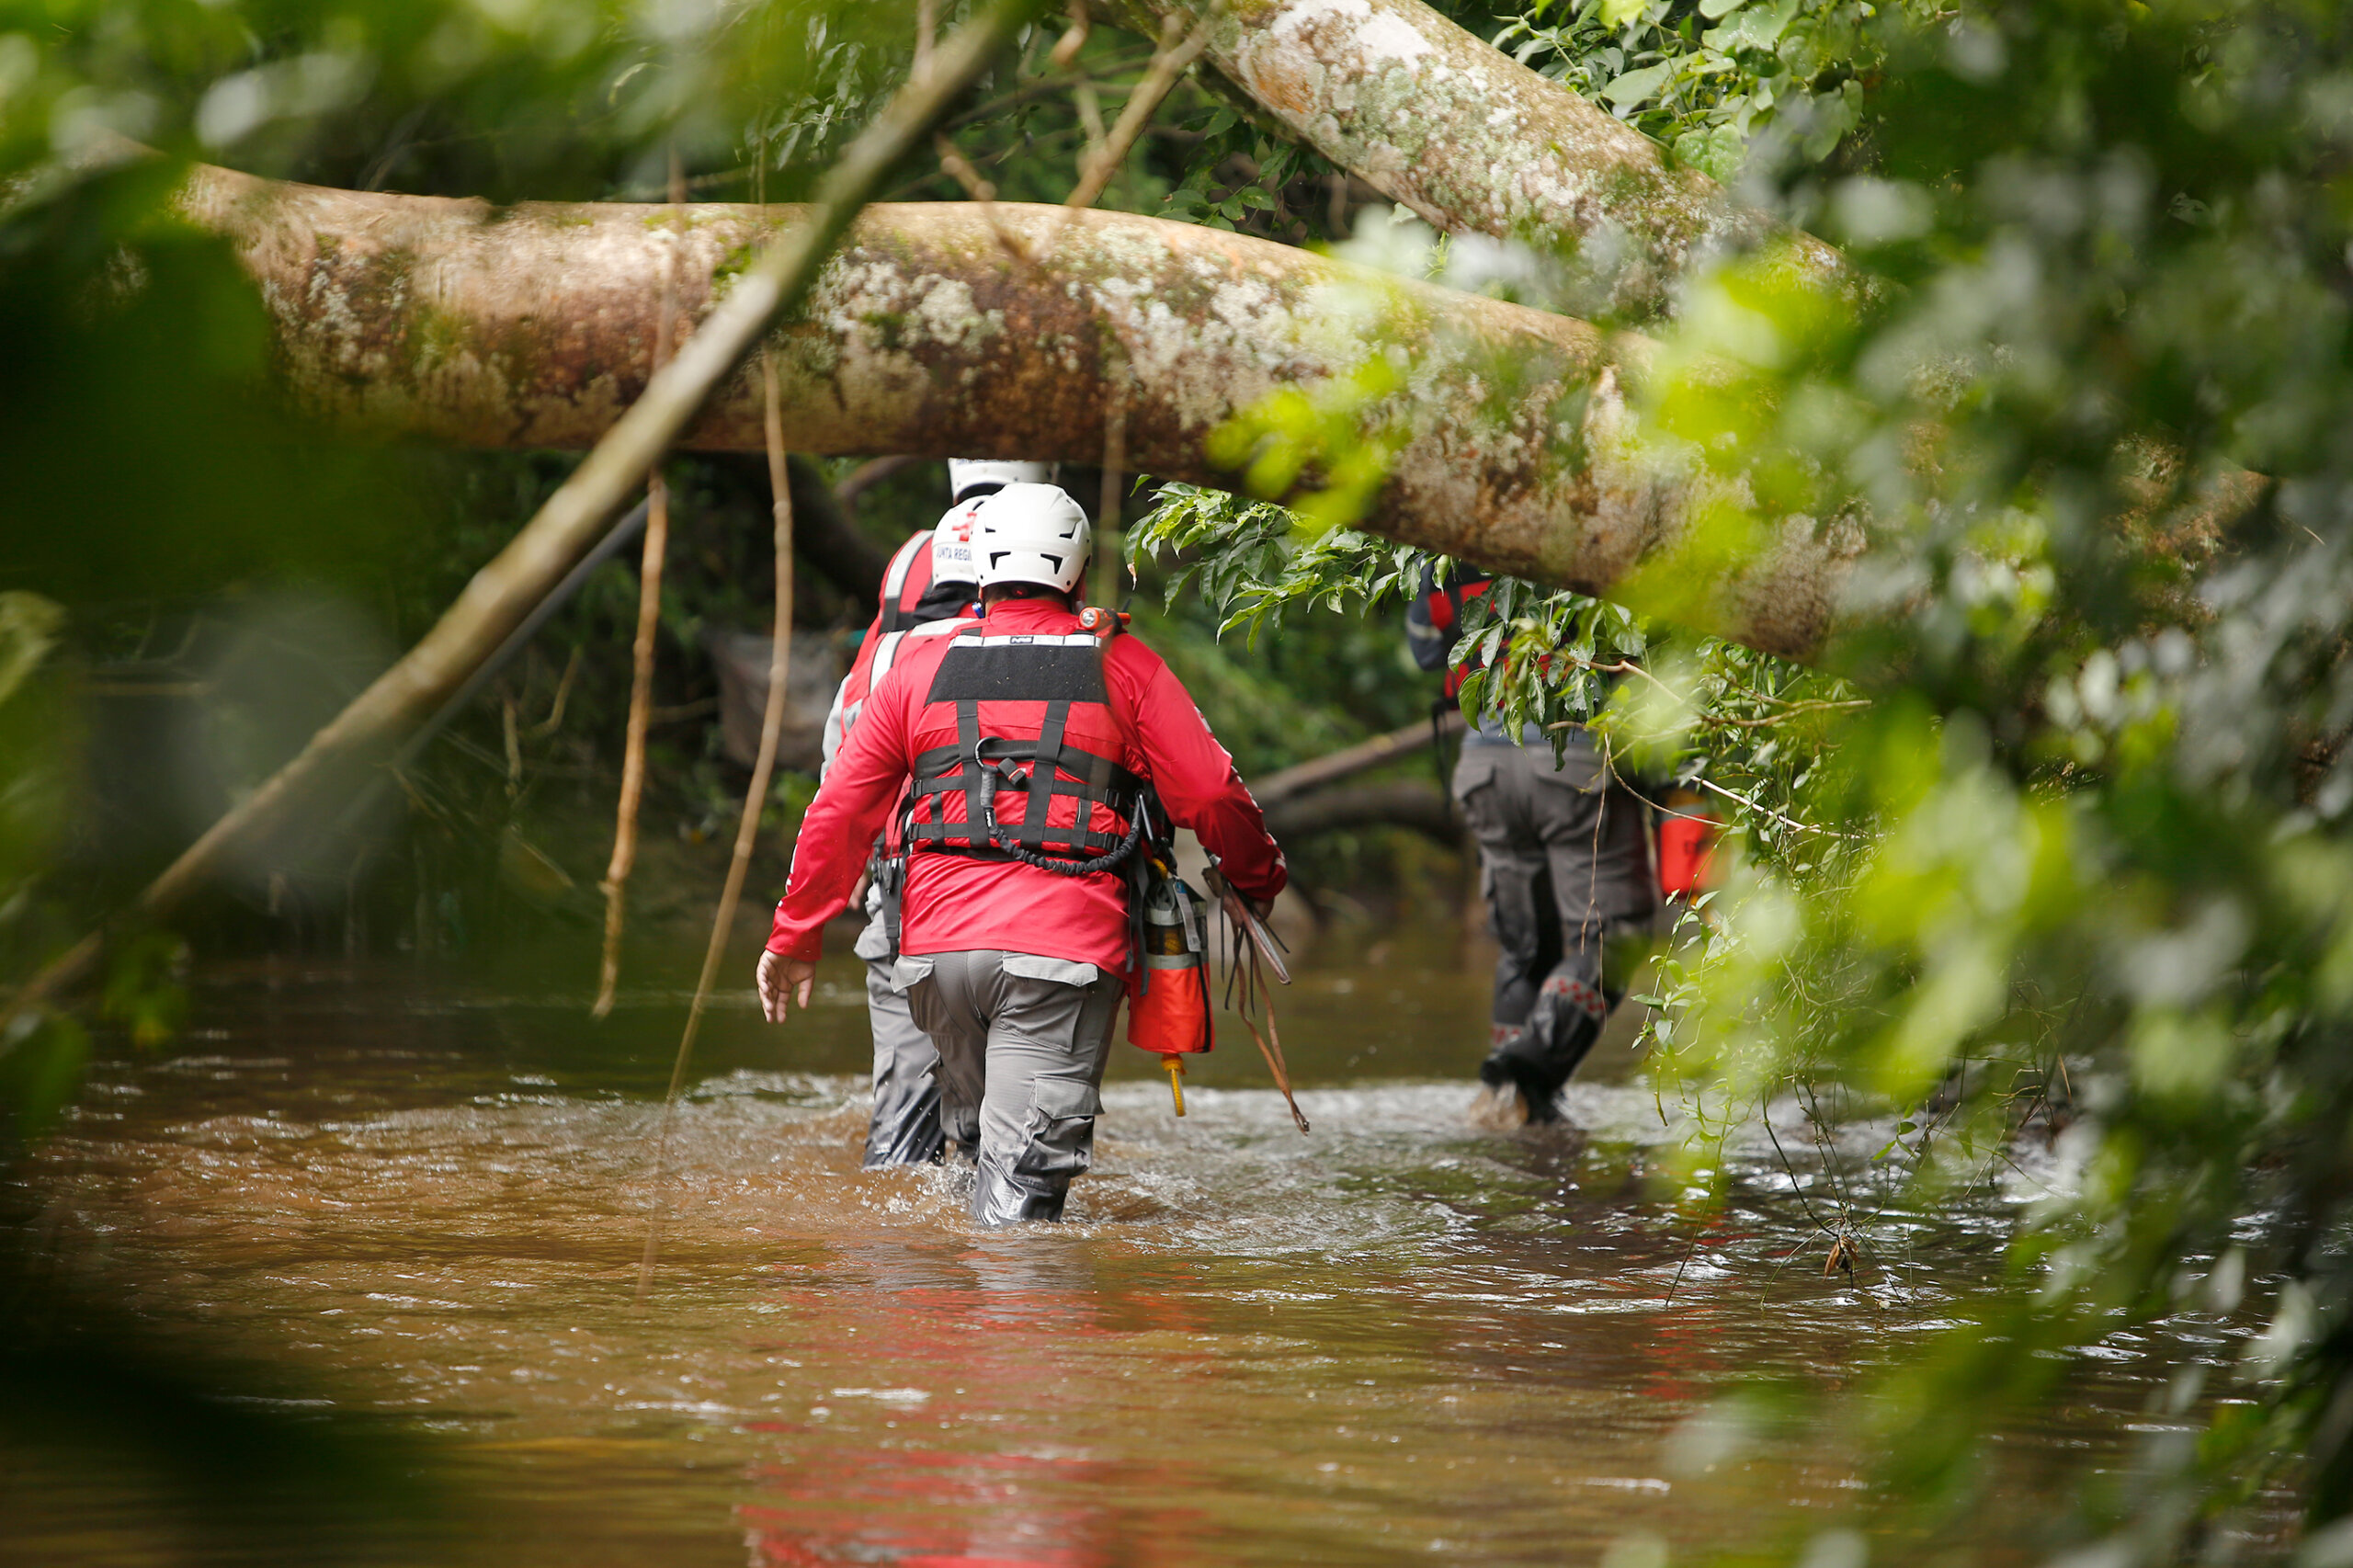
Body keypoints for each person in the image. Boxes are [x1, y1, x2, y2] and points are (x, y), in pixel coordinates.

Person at [760, 483, 1287, 1223]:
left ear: (977, 565)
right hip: (1056, 962)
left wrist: (795, 936)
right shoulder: (1123, 664)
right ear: (1077, 571)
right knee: (1019, 1222)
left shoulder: (917, 667)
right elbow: (1209, 792)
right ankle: (1013, 1329)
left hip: (935, 964)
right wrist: (1258, 878)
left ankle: (928, 1327)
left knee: (975, 1166)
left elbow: (840, 810)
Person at [819, 460, 1050, 1169]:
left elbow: (842, 774)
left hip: (906, 905)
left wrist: (821, 901)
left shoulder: (888, 657)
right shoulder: (1063, 649)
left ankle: (901, 1260)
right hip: (1033, 913)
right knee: (1010, 1134)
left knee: (905, 1130)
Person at [1407, 562, 1656, 1126]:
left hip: (1484, 765)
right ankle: (1522, 1074)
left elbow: (1426, 649)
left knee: (1526, 946)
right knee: (1610, 935)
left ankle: (1509, 1109)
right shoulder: (1602, 530)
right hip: (1574, 759)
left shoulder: (1448, 552)